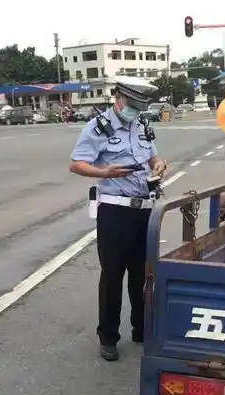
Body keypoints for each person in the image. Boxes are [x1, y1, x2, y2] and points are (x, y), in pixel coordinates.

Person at [69, 76, 168, 362]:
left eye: (140, 107)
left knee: (141, 274)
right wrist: (103, 173)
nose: (135, 111)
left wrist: (159, 163)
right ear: (118, 99)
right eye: (132, 105)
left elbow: (152, 158)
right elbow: (76, 164)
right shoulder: (98, 127)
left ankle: (141, 329)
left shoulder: (142, 125)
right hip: (115, 211)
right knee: (112, 275)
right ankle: (108, 337)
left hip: (144, 209)